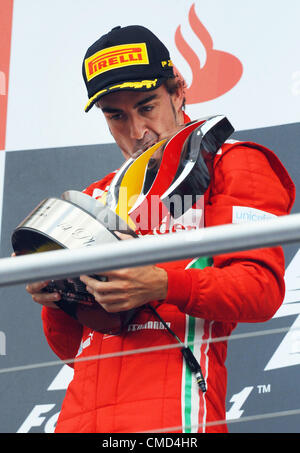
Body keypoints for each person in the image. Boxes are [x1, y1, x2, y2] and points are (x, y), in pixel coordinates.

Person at [25, 25, 295, 433]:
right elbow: (75, 350)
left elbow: (260, 289)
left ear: (178, 89)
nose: (136, 131)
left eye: (146, 106)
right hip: (78, 421)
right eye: (116, 115)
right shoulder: (96, 196)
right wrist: (56, 298)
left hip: (175, 419)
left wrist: (161, 285)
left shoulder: (232, 164)